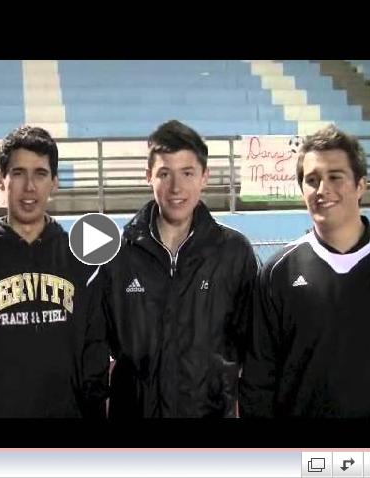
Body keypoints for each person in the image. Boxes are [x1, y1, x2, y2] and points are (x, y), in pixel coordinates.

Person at [0, 125, 108, 417]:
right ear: (2, 180)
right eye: (18, 173)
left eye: (40, 174)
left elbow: (94, 362)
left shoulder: (83, 263)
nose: (29, 187)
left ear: (54, 182)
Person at [100, 119, 258, 417]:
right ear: (149, 176)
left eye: (187, 173)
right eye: (164, 173)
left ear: (204, 177)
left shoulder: (234, 253)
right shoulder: (116, 255)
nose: (176, 187)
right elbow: (97, 348)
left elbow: (254, 351)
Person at [240, 125, 370, 417]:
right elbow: (259, 378)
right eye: (312, 180)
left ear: (361, 184)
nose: (323, 190)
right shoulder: (278, 273)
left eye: (335, 176)